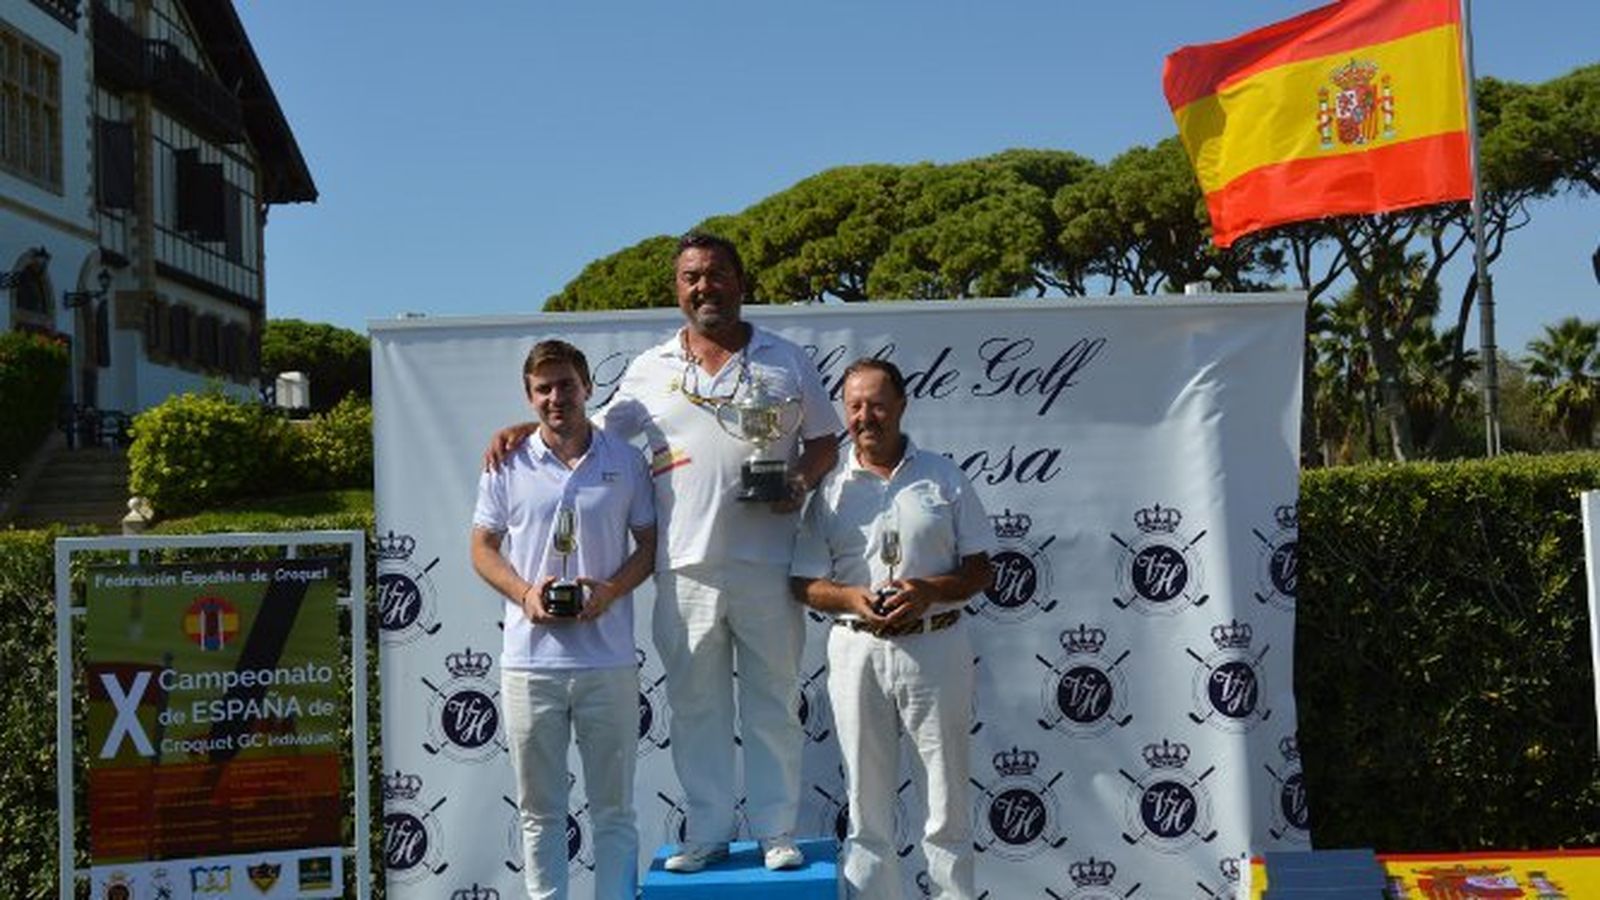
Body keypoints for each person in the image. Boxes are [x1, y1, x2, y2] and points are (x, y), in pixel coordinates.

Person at [486, 232, 842, 872]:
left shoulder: (787, 360)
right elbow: (590, 431)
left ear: (740, 280)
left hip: (769, 564)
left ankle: (776, 832)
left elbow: (823, 441)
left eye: (715, 274)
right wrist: (526, 429)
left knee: (772, 701)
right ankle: (706, 830)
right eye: (690, 278)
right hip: (680, 568)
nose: (703, 287)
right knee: (697, 707)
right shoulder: (650, 369)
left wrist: (801, 480)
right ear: (677, 290)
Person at [790, 358, 994, 900]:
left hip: (936, 645)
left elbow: (981, 570)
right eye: (854, 405)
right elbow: (803, 583)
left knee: (946, 808)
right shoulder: (830, 490)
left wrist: (927, 590)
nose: (865, 416)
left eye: (877, 403)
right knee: (866, 810)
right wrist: (852, 599)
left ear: (902, 405)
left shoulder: (943, 476)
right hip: (858, 651)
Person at [471, 340, 657, 900]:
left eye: (566, 385)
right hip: (531, 665)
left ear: (588, 388)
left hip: (609, 661)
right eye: (544, 388)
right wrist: (526, 594)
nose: (557, 397)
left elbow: (649, 545)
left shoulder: (625, 460)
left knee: (614, 812)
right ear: (530, 397)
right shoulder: (507, 461)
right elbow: (481, 547)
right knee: (540, 813)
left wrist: (612, 591)